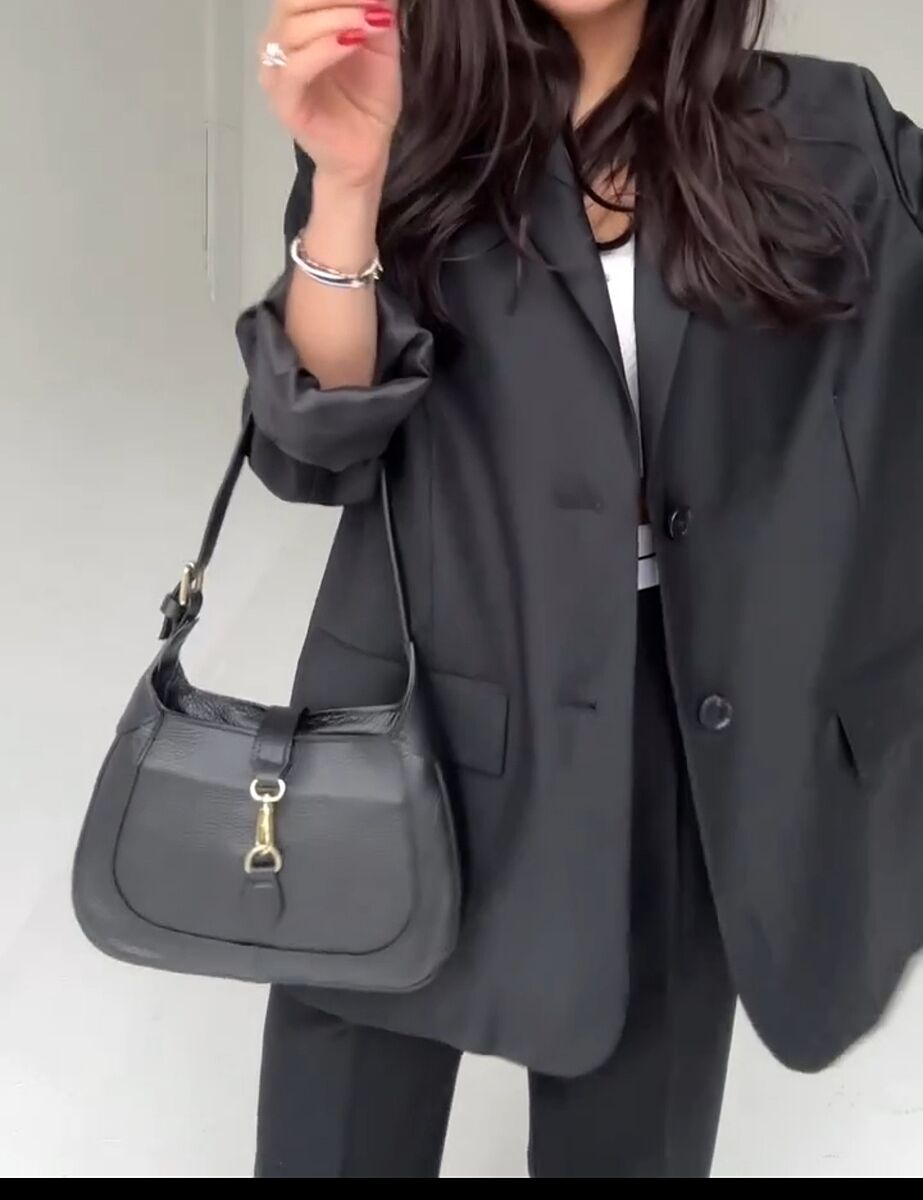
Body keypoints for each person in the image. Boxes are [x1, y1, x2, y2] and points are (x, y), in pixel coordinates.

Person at [236, 0, 923, 1179]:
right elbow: (312, 449)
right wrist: (346, 184)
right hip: (407, 736)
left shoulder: (826, 129)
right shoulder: (409, 119)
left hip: (678, 743)